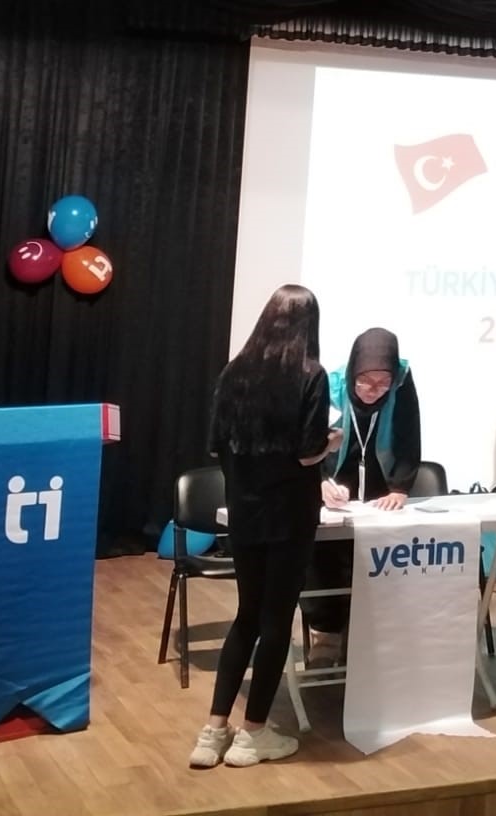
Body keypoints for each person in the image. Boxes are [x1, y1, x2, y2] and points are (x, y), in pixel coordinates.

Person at [189, 284, 340, 770]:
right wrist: (331, 441)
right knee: (276, 624)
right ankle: (253, 733)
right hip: (290, 514)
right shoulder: (310, 374)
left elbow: (216, 444)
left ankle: (214, 730)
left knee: (246, 617)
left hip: (244, 512)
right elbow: (307, 452)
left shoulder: (234, 372)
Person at [301, 327, 423, 658]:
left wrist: (400, 488)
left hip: (380, 486)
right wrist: (320, 481)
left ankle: (370, 641)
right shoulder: (331, 386)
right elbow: (309, 443)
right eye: (365, 381)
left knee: (377, 559)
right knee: (324, 557)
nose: (373, 390)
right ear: (354, 371)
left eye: (383, 383)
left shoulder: (401, 383)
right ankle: (325, 637)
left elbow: (410, 436)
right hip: (335, 482)